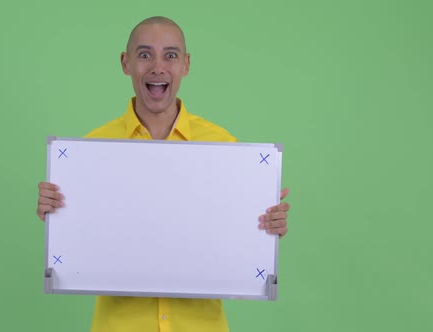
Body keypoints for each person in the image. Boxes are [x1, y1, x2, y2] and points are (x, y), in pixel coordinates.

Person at [36, 16, 291, 332]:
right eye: (145, 55)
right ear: (125, 63)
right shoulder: (88, 153)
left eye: (170, 55)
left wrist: (267, 228)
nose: (158, 66)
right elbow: (80, 240)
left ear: (186, 64)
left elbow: (236, 240)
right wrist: (57, 215)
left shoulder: (226, 148)